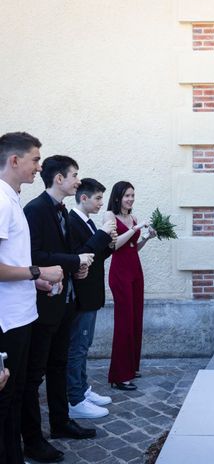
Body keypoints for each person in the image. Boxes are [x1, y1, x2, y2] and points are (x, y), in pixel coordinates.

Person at [23, 155, 97, 463]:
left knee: (58, 365)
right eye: (74, 175)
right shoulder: (35, 210)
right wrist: (73, 262)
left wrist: (76, 268)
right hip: (43, 304)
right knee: (34, 375)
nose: (78, 181)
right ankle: (33, 440)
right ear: (59, 179)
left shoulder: (62, 211)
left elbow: (64, 253)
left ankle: (61, 421)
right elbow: (35, 255)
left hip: (65, 300)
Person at [0, 132, 63, 464]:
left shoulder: (12, 198)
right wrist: (38, 273)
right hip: (7, 320)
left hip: (22, 312)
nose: (40, 167)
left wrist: (32, 281)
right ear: (14, 160)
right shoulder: (0, 199)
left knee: (19, 393)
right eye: (36, 159)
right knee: (7, 399)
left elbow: (12, 260)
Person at [67, 178, 116, 417]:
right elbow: (79, 255)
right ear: (83, 198)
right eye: (97, 198)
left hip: (92, 294)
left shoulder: (86, 221)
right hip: (82, 296)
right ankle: (74, 399)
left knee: (84, 346)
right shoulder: (71, 221)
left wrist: (108, 241)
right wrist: (103, 233)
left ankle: (82, 389)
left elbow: (96, 254)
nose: (101, 204)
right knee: (77, 347)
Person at [105, 181, 156, 391]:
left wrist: (146, 237)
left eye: (133, 195)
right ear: (118, 197)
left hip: (135, 269)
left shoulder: (132, 217)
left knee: (135, 319)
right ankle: (119, 375)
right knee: (124, 321)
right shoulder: (109, 216)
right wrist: (135, 228)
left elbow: (134, 247)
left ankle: (131, 367)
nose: (131, 199)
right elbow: (114, 245)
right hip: (120, 273)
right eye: (127, 195)